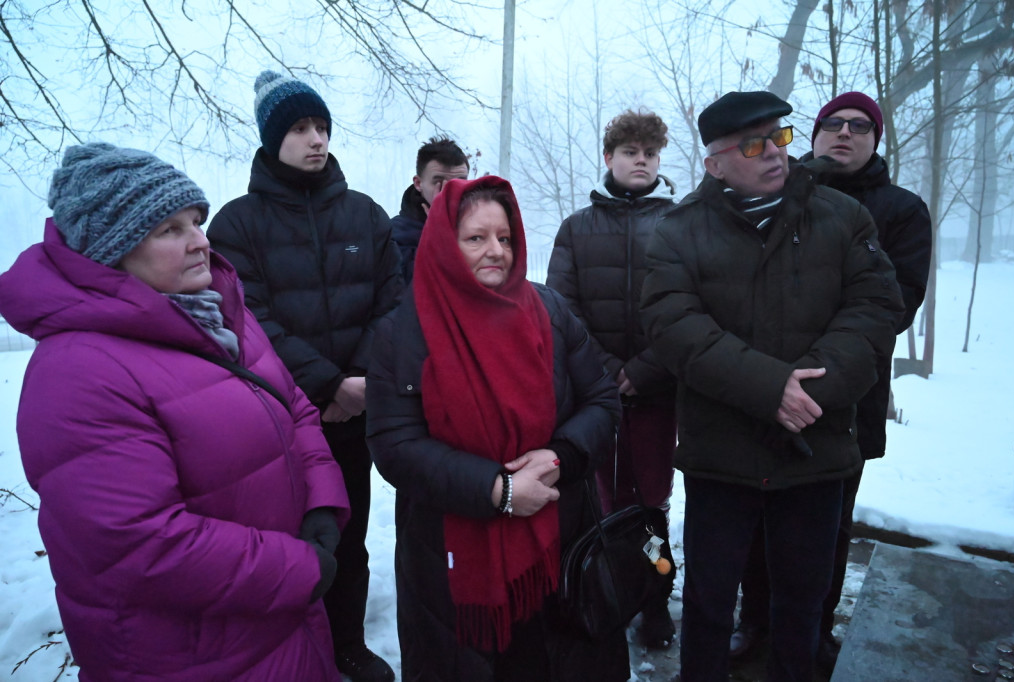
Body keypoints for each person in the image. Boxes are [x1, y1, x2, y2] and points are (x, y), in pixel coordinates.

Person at [0, 143, 350, 682]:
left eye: (197, 220)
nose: (201, 242)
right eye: (169, 230)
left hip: (280, 623)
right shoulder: (78, 371)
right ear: (110, 250)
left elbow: (295, 407)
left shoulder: (216, 314)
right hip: (190, 655)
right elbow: (139, 544)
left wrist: (321, 506)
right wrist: (298, 567)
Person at [640, 91, 904, 682]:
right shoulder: (678, 231)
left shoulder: (842, 218)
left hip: (816, 447)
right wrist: (769, 388)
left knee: (802, 610)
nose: (774, 155)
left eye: (779, 138)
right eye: (754, 145)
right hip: (720, 456)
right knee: (708, 606)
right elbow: (673, 326)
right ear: (715, 163)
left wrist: (809, 390)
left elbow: (874, 311)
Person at [364, 175, 630, 681]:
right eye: (476, 238)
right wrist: (499, 489)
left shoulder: (549, 311)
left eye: (504, 238)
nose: (496, 251)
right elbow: (395, 444)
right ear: (445, 242)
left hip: (560, 538)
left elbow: (601, 400)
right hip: (450, 561)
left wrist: (559, 458)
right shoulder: (405, 331)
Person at [207, 70, 402, 682]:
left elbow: (394, 306)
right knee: (282, 541)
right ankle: (293, 646)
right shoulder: (236, 226)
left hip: (355, 413)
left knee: (349, 535)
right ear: (271, 138)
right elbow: (248, 319)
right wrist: (326, 385)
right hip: (276, 418)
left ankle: (347, 642)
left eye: (321, 126)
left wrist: (360, 381)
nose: (316, 138)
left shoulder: (367, 217)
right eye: (299, 128)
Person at [730, 91, 934, 671]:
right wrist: (765, 378)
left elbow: (892, 304)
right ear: (814, 135)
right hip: (764, 390)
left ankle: (812, 632)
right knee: (757, 516)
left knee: (827, 531)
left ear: (876, 140)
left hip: (845, 397)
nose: (845, 133)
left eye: (860, 126)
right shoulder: (772, 196)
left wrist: (816, 375)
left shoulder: (900, 210)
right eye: (833, 124)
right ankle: (755, 623)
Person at [546, 109, 679, 649]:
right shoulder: (577, 227)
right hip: (596, 397)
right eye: (630, 151)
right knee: (602, 498)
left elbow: (690, 305)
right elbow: (562, 304)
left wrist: (645, 369)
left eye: (649, 152)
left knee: (650, 506)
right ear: (609, 158)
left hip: (658, 391)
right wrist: (604, 370)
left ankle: (656, 595)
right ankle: (603, 584)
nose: (641, 160)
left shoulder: (680, 222)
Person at [391, 135, 470, 285]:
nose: (450, 191)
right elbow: (409, 288)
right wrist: (438, 233)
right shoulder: (395, 234)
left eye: (460, 182)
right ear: (418, 183)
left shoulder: (482, 227)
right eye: (439, 182)